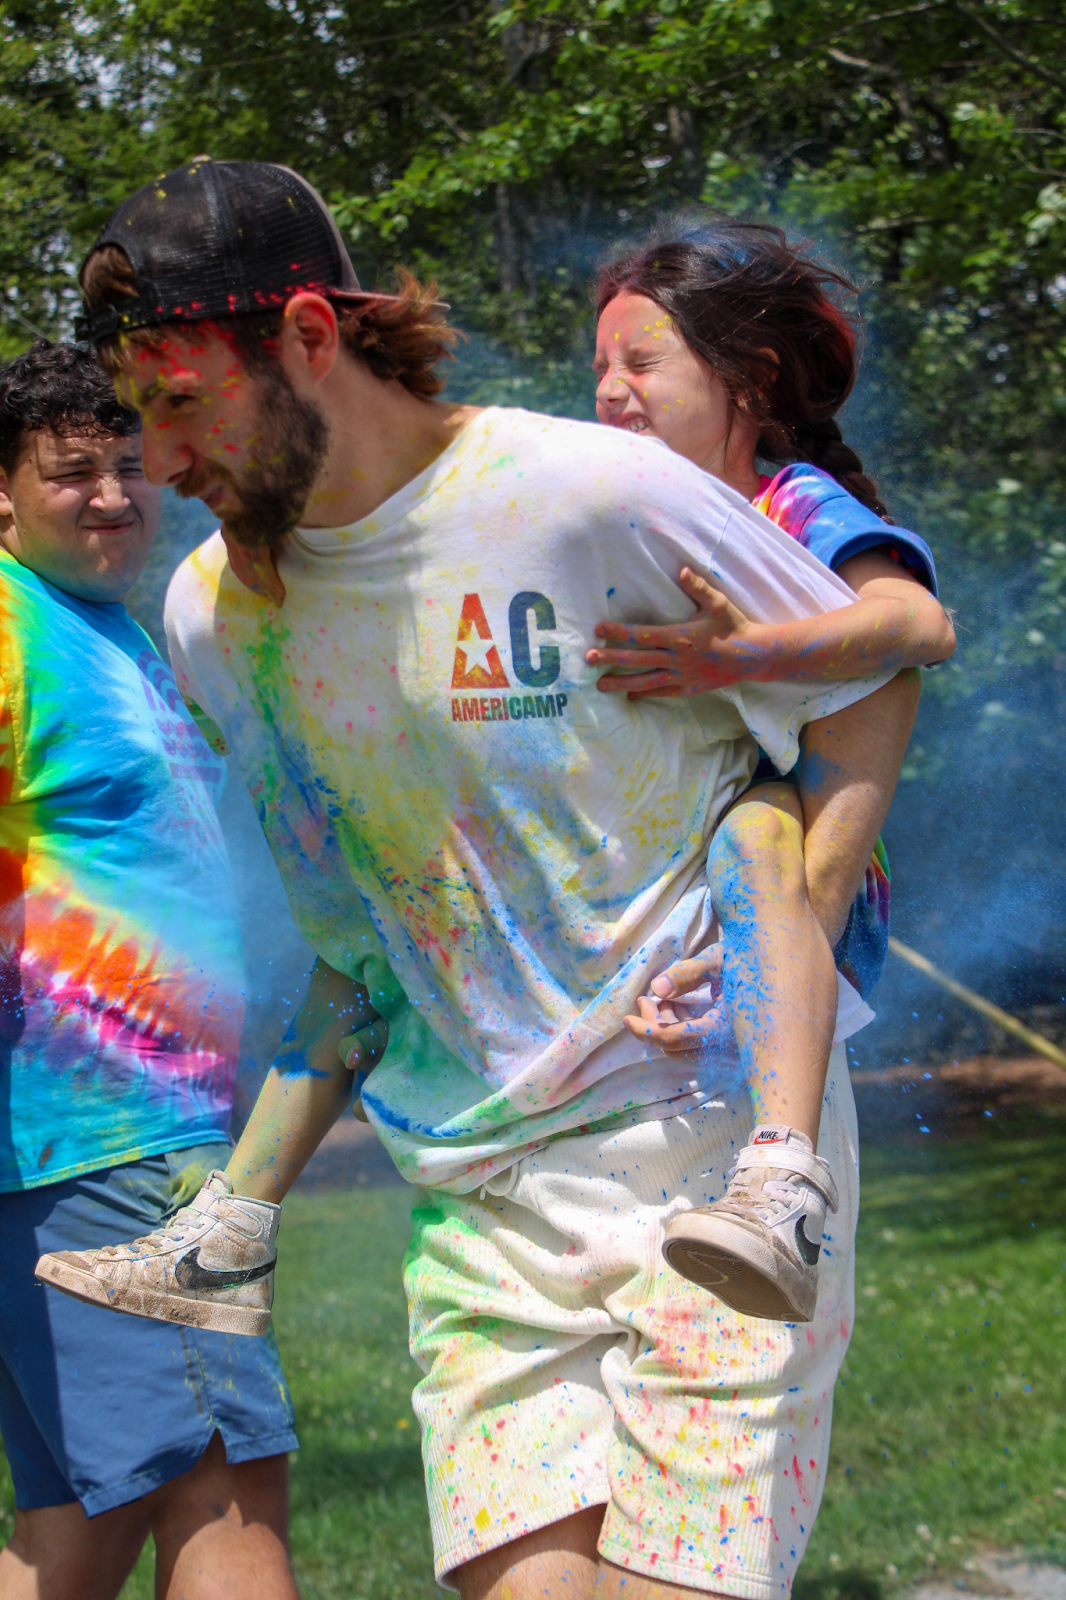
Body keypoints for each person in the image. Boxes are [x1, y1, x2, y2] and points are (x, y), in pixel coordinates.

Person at [42, 158, 933, 1600]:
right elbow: (356, 922)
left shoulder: (583, 492)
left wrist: (799, 925)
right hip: (473, 1203)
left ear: (309, 340)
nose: (160, 455)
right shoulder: (216, 615)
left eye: (183, 398)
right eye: (137, 411)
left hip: (700, 1144)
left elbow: (875, 662)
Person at [585, 222, 954, 1315]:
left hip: (799, 873)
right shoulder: (632, 526)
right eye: (597, 367)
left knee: (755, 827)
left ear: (747, 378)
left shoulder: (790, 504)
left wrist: (738, 654)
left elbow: (916, 623)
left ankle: (785, 1178)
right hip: (695, 879)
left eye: (640, 363)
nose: (608, 391)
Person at [0, 341, 299, 1600]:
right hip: (102, 1142)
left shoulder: (110, 631)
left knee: (74, 1530)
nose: (119, 492)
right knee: (221, 1482)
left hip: (104, 1144)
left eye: (129, 462)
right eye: (76, 472)